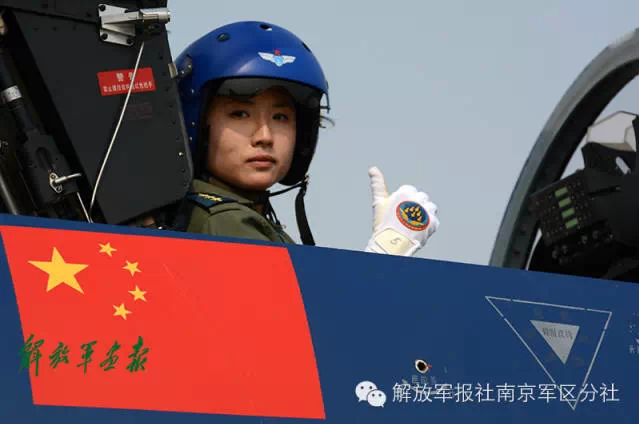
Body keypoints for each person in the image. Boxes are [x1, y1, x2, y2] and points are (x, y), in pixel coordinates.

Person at [174, 21, 439, 257]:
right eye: (240, 114)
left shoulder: (241, 216)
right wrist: (386, 252)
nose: (264, 137)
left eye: (280, 117)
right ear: (195, 121)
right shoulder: (226, 221)